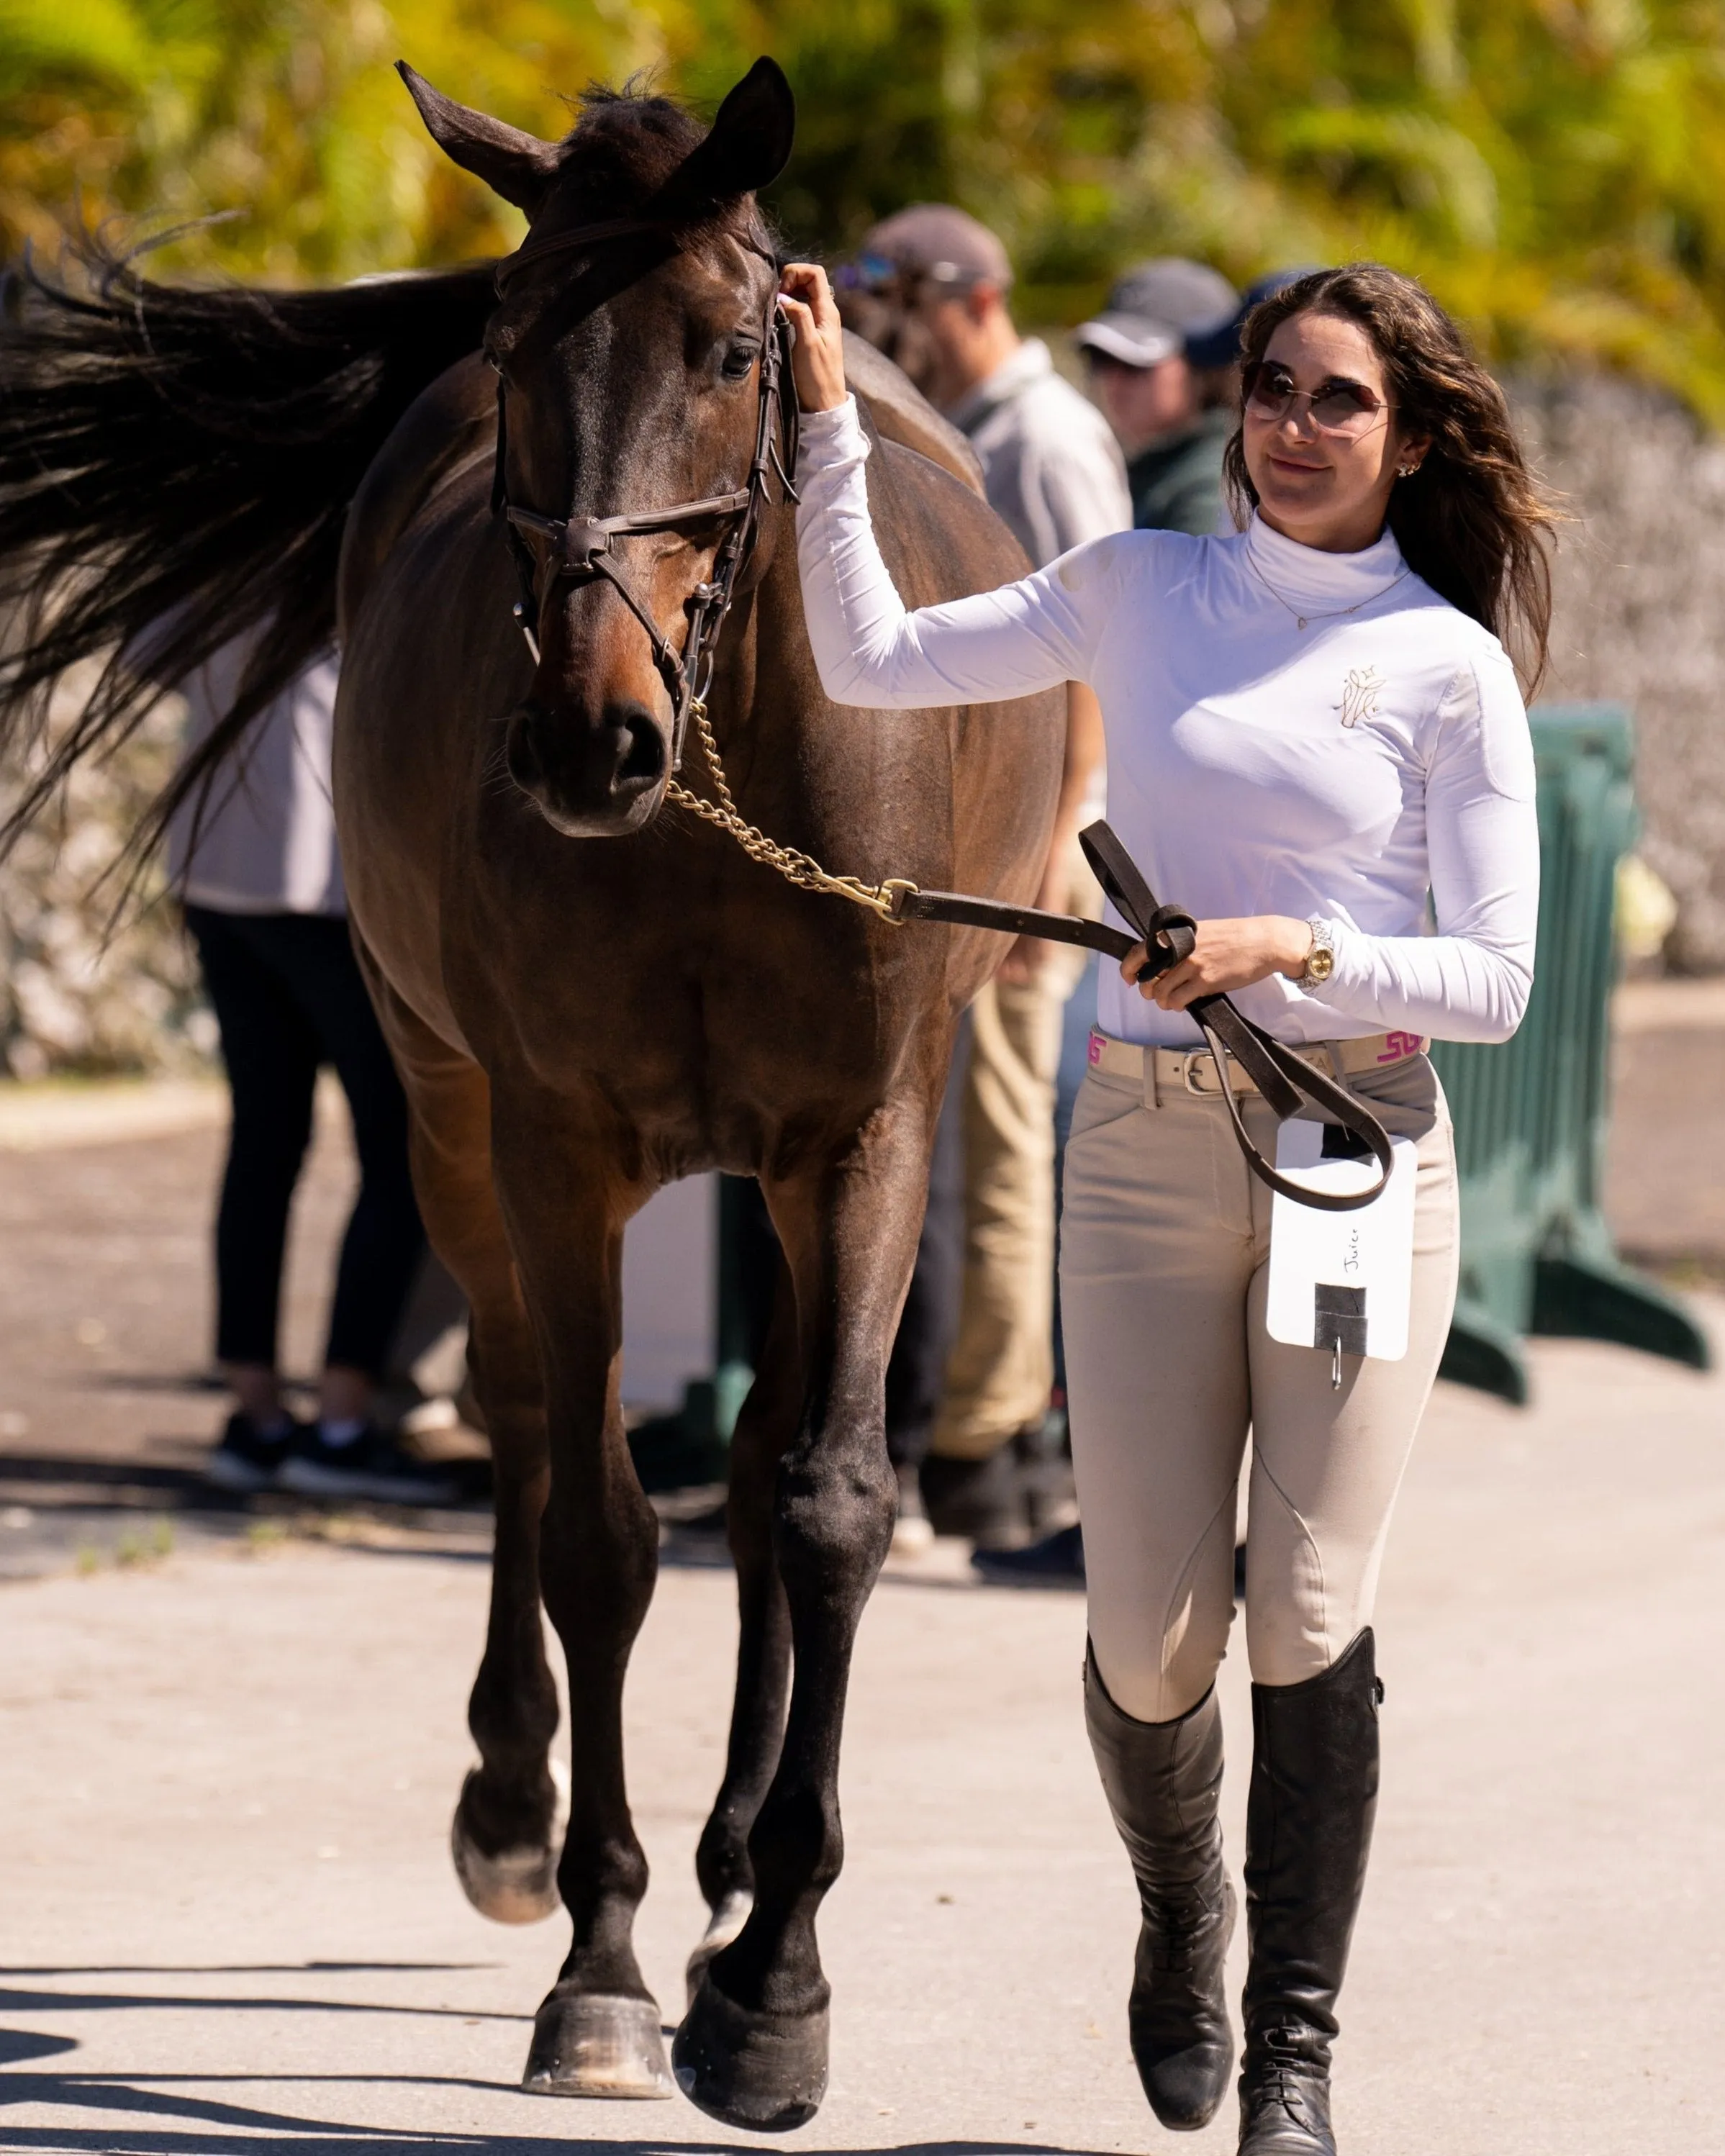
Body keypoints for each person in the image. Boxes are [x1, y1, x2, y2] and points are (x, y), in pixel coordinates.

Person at [777, 258, 1549, 2153]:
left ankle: (1290, 2044)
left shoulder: (1443, 662)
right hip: (1139, 1142)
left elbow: (1499, 980)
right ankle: (1179, 1902)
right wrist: (817, 428)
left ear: (1414, 431)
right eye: (1271, 387)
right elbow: (868, 658)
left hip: (1356, 1147)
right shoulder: (1137, 588)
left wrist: (1298, 944)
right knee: (1146, 1639)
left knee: (1300, 1603)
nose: (1291, 426)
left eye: (1338, 399)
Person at [845, 204, 1131, 1545]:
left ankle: (989, 1434)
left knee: (1006, 1146)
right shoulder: (985, 433)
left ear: (965, 300)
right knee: (967, 1141)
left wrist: (1048, 852)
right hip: (999, 837)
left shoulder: (1047, 437)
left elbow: (1094, 648)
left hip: (1039, 842)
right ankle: (974, 1425)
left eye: (903, 306)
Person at [168, 635, 456, 1505]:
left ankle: (256, 1417)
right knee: (403, 1154)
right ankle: (339, 1421)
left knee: (264, 1144)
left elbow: (157, 650)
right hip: (327, 874)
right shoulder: (344, 521)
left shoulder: (218, 528)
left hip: (214, 862)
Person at [1074, 258, 1240, 535]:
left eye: (1135, 363)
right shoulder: (1154, 468)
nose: (1113, 381)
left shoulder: (1210, 486)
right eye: (1101, 358)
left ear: (1204, 367)